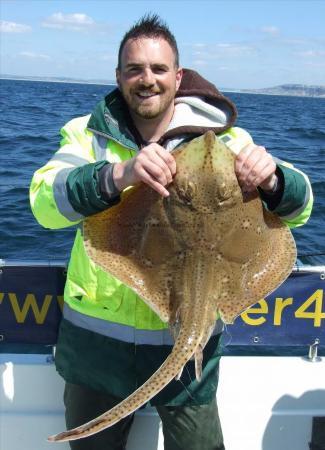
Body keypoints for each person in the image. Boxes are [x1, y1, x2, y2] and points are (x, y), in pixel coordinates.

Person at [30, 14, 313, 450]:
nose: (147, 79)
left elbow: (302, 205)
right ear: (119, 76)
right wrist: (117, 175)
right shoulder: (88, 138)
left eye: (159, 69)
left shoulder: (228, 140)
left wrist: (273, 178)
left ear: (178, 77)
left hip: (192, 345)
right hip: (96, 347)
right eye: (135, 69)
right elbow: (45, 203)